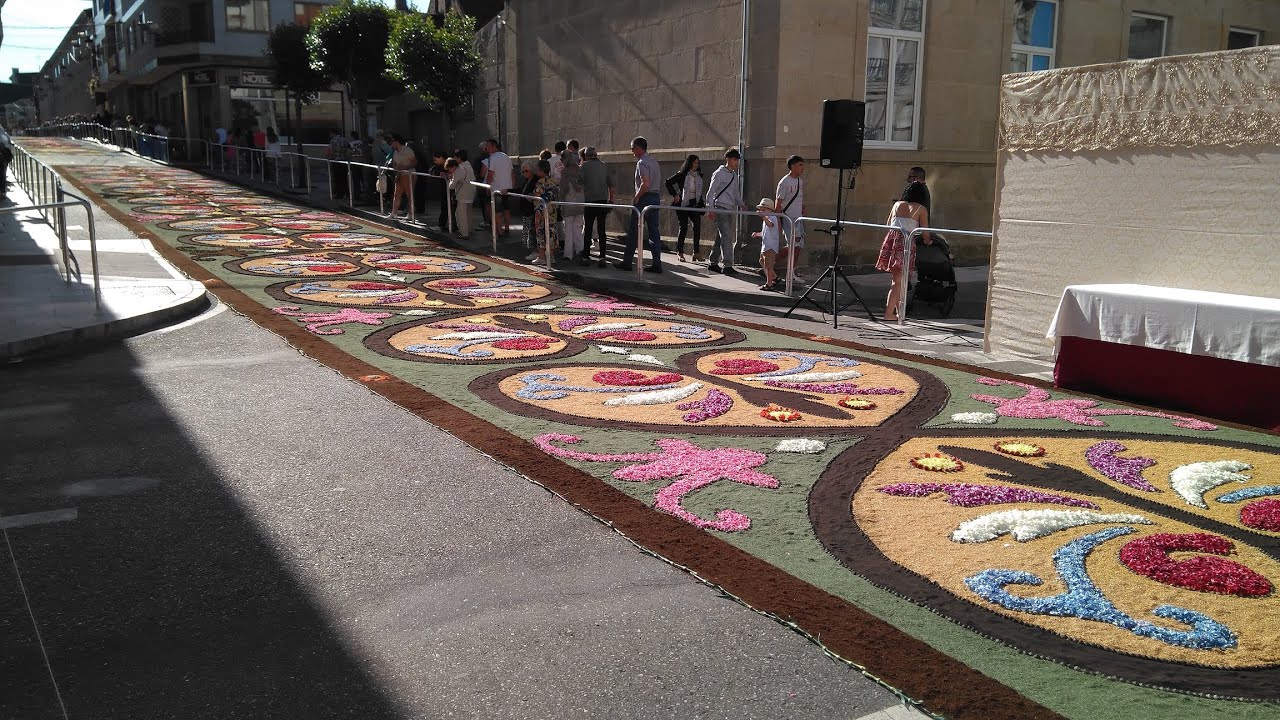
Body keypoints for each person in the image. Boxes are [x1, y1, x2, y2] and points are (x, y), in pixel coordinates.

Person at [876, 182, 931, 321]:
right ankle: (889, 313)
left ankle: (899, 312)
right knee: (898, 281)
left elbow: (889, 224)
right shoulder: (921, 209)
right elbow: (925, 232)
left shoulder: (897, 205)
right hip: (905, 243)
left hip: (892, 242)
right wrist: (928, 241)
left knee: (898, 280)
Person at [616, 136, 663, 273]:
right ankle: (657, 263)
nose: (632, 152)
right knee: (654, 232)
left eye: (632, 149)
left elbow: (645, 184)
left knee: (634, 231)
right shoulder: (654, 162)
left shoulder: (642, 163)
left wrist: (637, 197)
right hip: (655, 197)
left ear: (638, 148)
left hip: (645, 198)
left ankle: (627, 262)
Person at [705, 147, 745, 276]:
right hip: (720, 208)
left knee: (721, 236)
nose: (736, 162)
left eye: (737, 160)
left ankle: (713, 262)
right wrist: (710, 209)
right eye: (734, 159)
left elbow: (735, 193)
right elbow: (711, 192)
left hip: (729, 209)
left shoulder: (734, 176)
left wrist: (741, 203)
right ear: (728, 159)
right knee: (726, 236)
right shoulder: (719, 173)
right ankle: (727, 264)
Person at [665, 154, 704, 263]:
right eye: (694, 163)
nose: (696, 165)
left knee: (697, 226)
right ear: (689, 163)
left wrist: (702, 204)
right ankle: (680, 252)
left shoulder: (699, 175)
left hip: (694, 204)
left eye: (697, 163)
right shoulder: (682, 174)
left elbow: (699, 192)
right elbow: (668, 182)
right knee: (683, 227)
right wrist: (675, 195)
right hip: (683, 204)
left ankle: (696, 252)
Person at [580, 146, 614, 267]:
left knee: (588, 229)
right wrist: (611, 200)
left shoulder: (584, 166)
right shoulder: (604, 165)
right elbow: (611, 185)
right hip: (602, 201)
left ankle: (585, 256)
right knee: (601, 230)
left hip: (589, 201)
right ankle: (602, 256)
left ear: (586, 155)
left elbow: (579, 182)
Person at [774, 154, 806, 280]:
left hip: (799, 218)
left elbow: (799, 197)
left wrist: (803, 208)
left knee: (797, 246)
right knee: (793, 246)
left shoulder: (800, 181)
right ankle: (770, 262)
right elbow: (778, 203)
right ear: (792, 166)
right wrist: (778, 221)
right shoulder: (784, 182)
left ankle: (790, 271)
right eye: (800, 165)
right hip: (788, 218)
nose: (802, 168)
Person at [529, 159, 559, 265]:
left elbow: (537, 196)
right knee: (551, 233)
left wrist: (531, 197)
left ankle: (542, 256)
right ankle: (551, 256)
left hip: (541, 211)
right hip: (552, 211)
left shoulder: (540, 182)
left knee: (541, 233)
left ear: (541, 170)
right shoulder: (554, 181)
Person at [482, 138, 513, 235]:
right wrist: (511, 185)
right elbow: (512, 172)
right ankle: (506, 228)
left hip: (497, 188)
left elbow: (490, 174)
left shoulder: (493, 158)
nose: (487, 149)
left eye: (488, 146)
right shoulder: (506, 157)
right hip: (506, 188)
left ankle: (500, 231)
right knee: (506, 209)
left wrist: (488, 187)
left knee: (497, 211)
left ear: (494, 146)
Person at [559, 151, 586, 263]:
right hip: (580, 202)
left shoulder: (565, 171)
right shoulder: (579, 169)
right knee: (578, 228)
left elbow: (563, 189)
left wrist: (561, 199)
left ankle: (568, 254)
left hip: (569, 202)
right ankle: (580, 250)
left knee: (568, 229)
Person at [752, 197, 782, 291]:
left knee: (768, 265)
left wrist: (764, 217)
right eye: (761, 210)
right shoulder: (767, 219)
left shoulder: (772, 217)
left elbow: (771, 225)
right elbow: (765, 232)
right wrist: (757, 234)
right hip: (765, 245)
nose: (761, 211)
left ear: (769, 209)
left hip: (770, 246)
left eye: (763, 210)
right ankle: (775, 278)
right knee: (762, 261)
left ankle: (769, 284)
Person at [387, 134, 417, 219]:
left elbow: (414, 163)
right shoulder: (395, 152)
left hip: (408, 174)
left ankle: (411, 213)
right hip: (399, 174)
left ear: (396, 142)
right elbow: (394, 163)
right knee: (397, 194)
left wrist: (404, 168)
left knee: (409, 194)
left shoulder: (408, 150)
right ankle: (394, 212)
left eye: (392, 142)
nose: (391, 144)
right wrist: (396, 168)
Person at [448, 148, 476, 238]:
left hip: (463, 192)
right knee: (468, 212)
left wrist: (450, 180)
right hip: (471, 190)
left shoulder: (460, 169)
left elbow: (452, 185)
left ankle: (464, 233)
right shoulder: (468, 165)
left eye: (455, 157)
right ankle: (470, 229)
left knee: (461, 213)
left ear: (459, 158)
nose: (454, 159)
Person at [326, 128, 350, 199]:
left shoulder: (333, 140)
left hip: (336, 161)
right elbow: (348, 148)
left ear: (332, 133)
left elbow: (331, 151)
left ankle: (340, 193)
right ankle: (347, 193)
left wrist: (329, 158)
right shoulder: (344, 139)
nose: (330, 135)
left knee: (337, 178)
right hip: (344, 161)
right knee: (344, 178)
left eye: (330, 134)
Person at [430, 150, 450, 230]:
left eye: (436, 160)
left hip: (451, 189)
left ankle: (445, 225)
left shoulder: (449, 164)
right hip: (444, 189)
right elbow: (431, 171)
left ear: (441, 158)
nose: (435, 162)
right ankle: (443, 224)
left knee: (448, 207)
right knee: (444, 206)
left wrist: (445, 174)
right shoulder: (438, 166)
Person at [348, 131, 369, 201]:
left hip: (354, 163)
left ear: (352, 136)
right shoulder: (362, 142)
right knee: (364, 180)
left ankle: (357, 195)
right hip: (362, 162)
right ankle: (367, 194)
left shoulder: (350, 144)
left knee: (356, 180)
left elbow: (349, 153)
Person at [0, 125, 12, 200]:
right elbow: (7, 140)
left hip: (2, 158)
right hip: (2, 158)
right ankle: (2, 192)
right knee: (2, 174)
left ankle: (2, 192)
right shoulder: (1, 130)